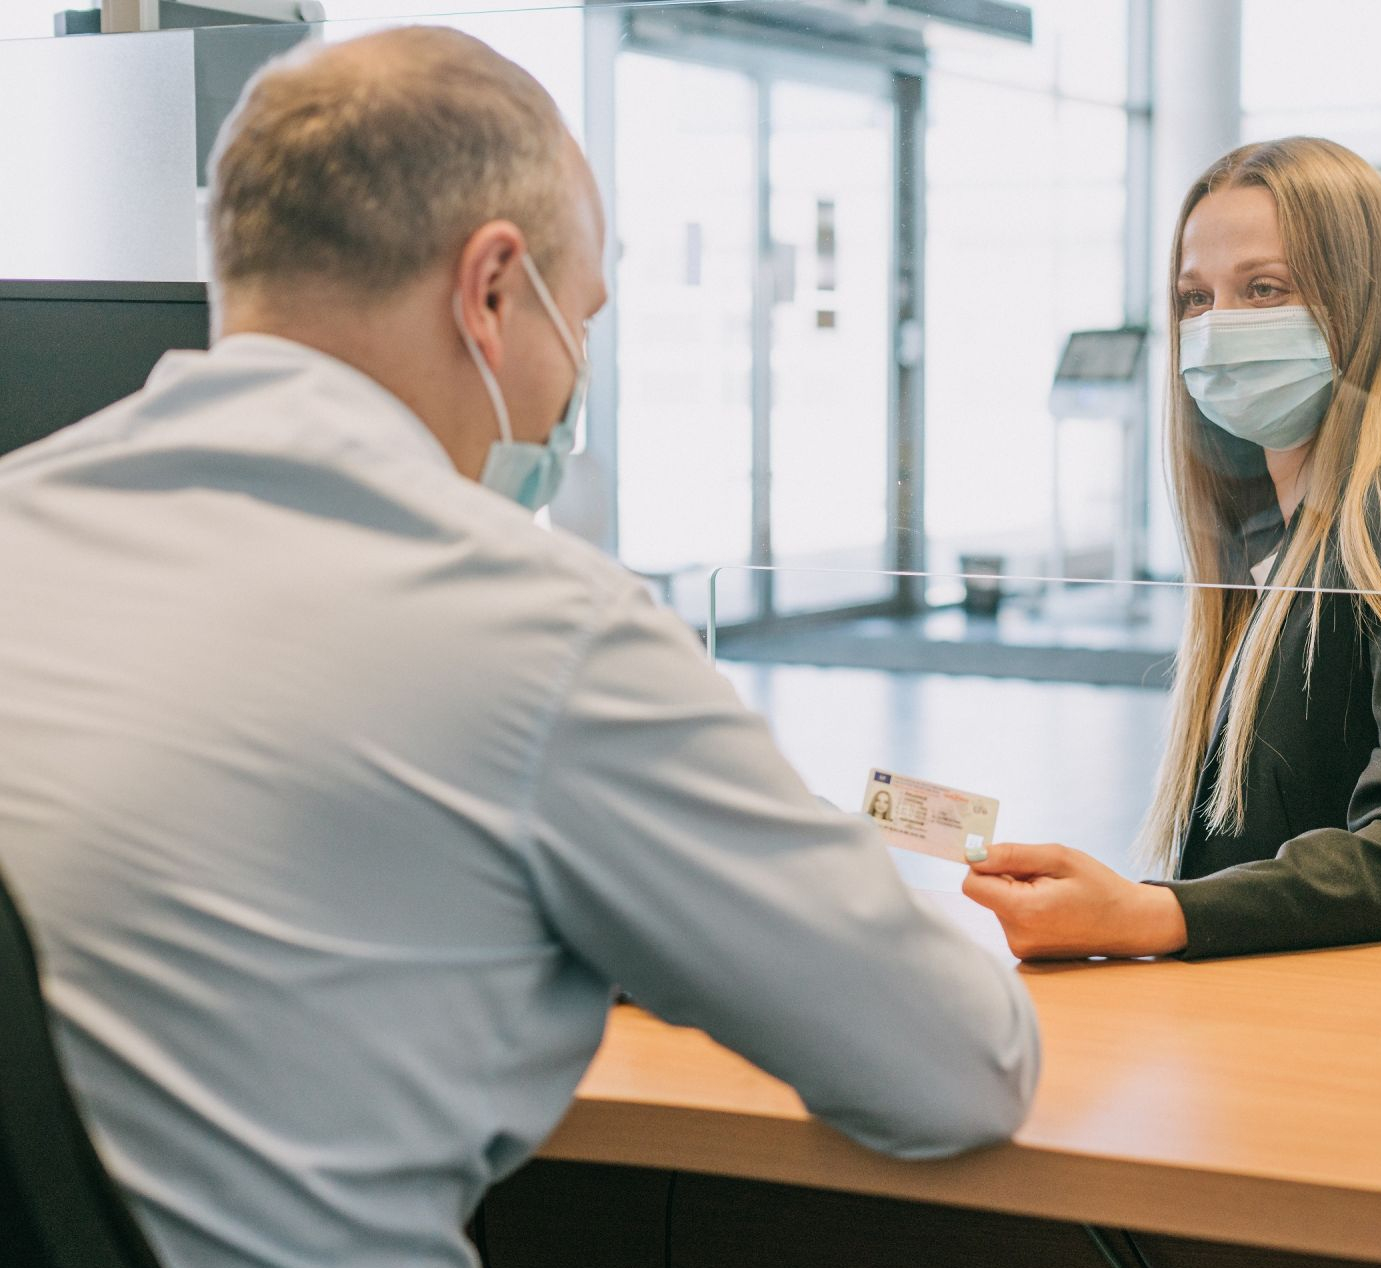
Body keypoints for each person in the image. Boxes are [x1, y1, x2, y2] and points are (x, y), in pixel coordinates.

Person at [0, 28, 1036, 1268]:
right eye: (579, 316)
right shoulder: (539, 621)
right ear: (492, 288)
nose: (573, 377)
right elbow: (960, 1064)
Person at [963, 137, 1381, 961]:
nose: (1217, 327)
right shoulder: (1282, 526)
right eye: (1194, 298)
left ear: (1361, 299)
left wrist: (1147, 915)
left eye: (1264, 289)